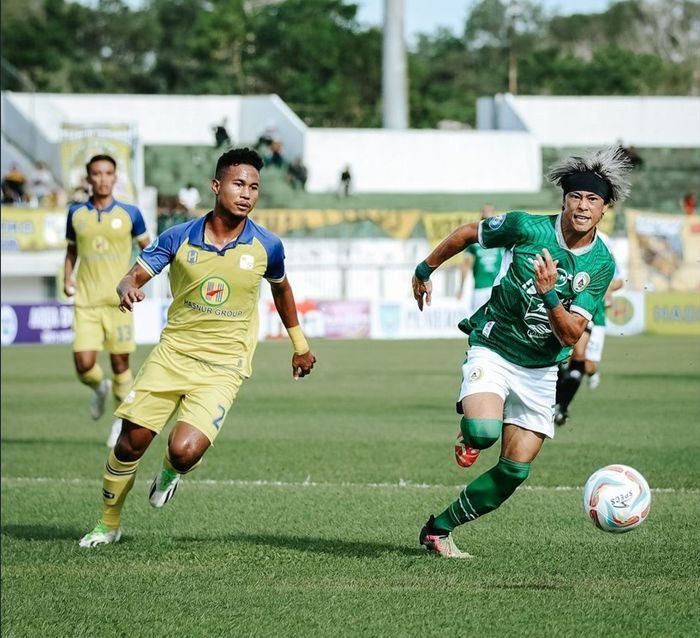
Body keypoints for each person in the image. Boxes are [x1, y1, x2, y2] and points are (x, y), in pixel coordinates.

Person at [79, 147, 317, 548]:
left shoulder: (267, 246)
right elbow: (135, 274)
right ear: (216, 185)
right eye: (239, 184)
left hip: (224, 366)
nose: (247, 193)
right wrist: (127, 286)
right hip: (171, 356)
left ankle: (170, 474)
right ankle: (108, 524)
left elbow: (282, 289)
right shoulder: (178, 236)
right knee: (130, 443)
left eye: (254, 187)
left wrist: (300, 345)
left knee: (184, 451)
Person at [411, 146, 631, 558]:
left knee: (515, 470)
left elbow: (569, 336)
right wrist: (425, 269)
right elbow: (465, 234)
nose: (583, 206)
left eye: (593, 199)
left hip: (541, 369)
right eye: (576, 197)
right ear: (564, 200)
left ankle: (438, 529)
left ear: (605, 208)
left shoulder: (602, 264)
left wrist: (550, 295)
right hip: (494, 346)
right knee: (483, 433)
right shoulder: (525, 227)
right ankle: (470, 432)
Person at [64, 154, 150, 449]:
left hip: (118, 303)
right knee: (83, 364)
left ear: (115, 178)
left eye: (108, 173)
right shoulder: (76, 214)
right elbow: (71, 251)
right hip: (86, 303)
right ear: (88, 179)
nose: (102, 179)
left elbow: (148, 250)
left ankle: (119, 422)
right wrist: (67, 278)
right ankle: (99, 387)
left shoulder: (131, 214)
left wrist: (137, 281)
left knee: (120, 363)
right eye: (97, 174)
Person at [554, 239, 625, 426]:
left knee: (587, 363)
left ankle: (565, 399)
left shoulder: (603, 246)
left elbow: (618, 280)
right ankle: (561, 404)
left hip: (595, 315)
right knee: (564, 356)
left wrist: (607, 288)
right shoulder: (563, 238)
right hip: (566, 311)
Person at [456, 204, 505, 311]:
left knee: (498, 323)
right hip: (480, 288)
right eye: (484, 212)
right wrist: (461, 287)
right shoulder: (474, 240)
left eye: (490, 212)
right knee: (478, 323)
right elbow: (466, 264)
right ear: (481, 216)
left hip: (498, 288)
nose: (487, 214)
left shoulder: (501, 239)